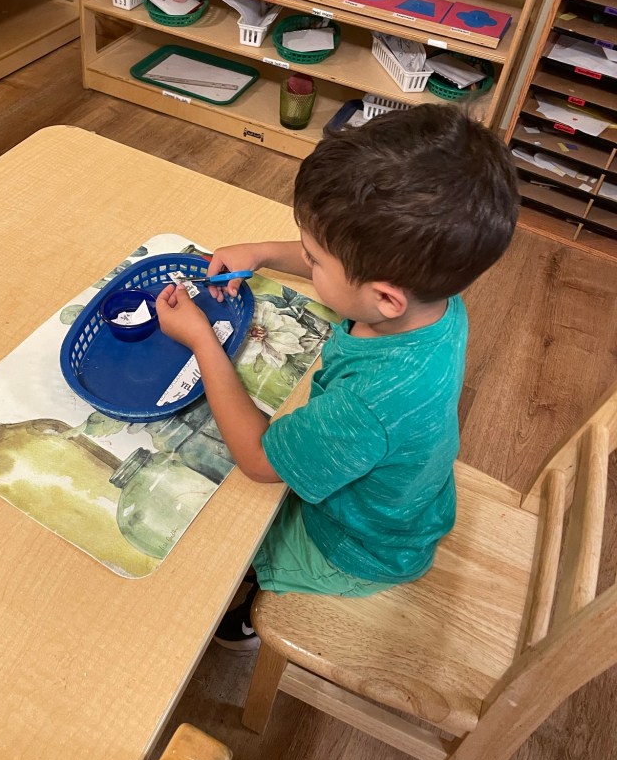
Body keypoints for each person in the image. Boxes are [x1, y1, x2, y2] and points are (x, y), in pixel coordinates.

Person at [156, 105, 518, 650]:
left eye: (312, 259)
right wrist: (261, 252)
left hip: (356, 548)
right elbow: (353, 264)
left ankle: (261, 604)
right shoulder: (435, 298)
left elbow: (258, 461)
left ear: (385, 298)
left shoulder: (371, 402)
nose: (306, 260)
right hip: (405, 501)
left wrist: (203, 341)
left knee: (215, 535)